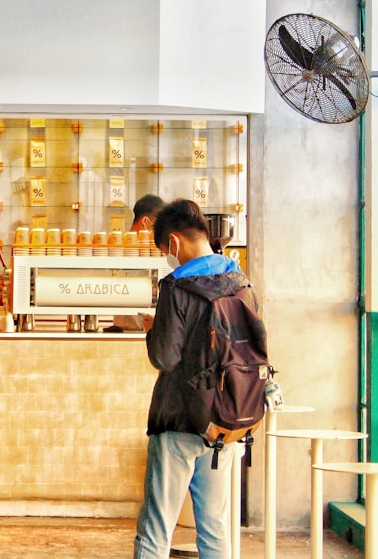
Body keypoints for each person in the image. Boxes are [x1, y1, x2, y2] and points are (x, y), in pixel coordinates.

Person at [133, 199, 257, 559]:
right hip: (225, 420)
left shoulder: (177, 286)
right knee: (215, 529)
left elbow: (164, 356)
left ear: (173, 241)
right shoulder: (241, 282)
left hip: (180, 420)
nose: (167, 257)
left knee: (157, 527)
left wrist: (153, 329)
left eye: (164, 250)